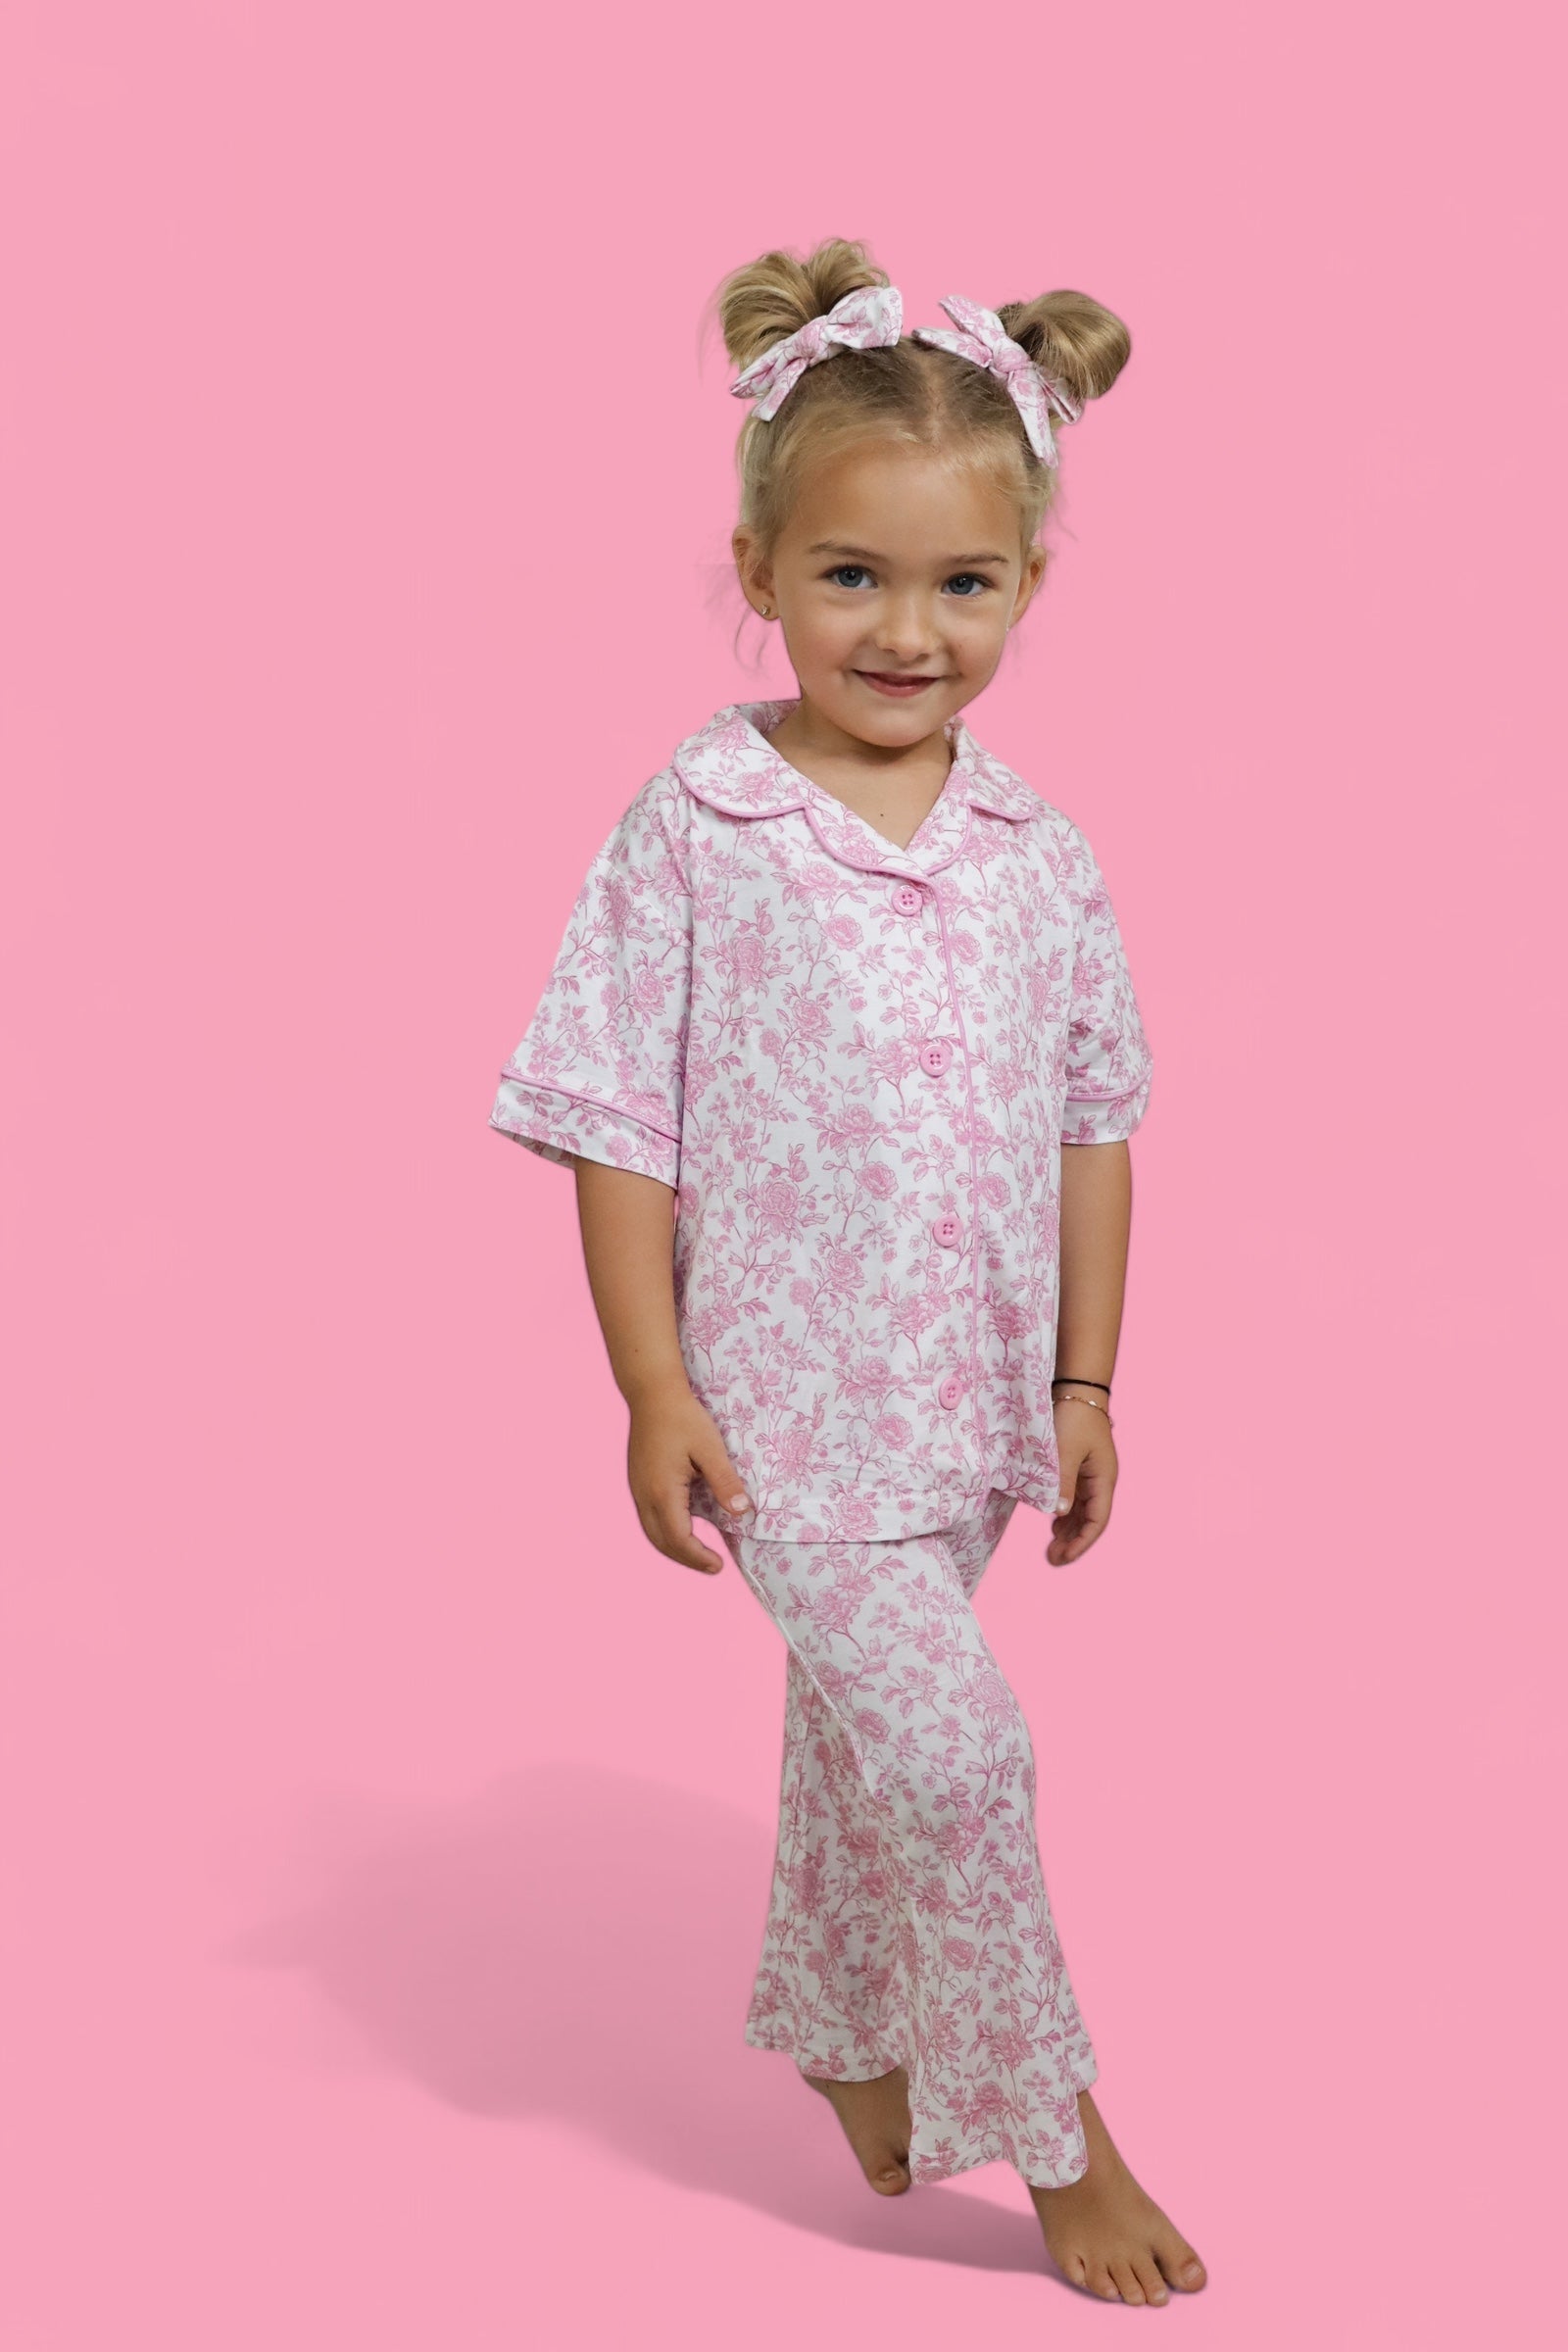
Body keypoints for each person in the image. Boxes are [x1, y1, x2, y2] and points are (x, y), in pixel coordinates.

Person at [488, 238, 1207, 2307]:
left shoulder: (1037, 855)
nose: (906, 630)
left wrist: (1082, 1386)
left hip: (965, 1415)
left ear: (1027, 582)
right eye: (851, 577)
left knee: (854, 1741)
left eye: (960, 583)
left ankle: (837, 2023)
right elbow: (617, 1118)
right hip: (785, 1421)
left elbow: (1093, 1125)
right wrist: (651, 1384)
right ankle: (1058, 2138)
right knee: (961, 1760)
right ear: (761, 567)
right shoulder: (700, 826)